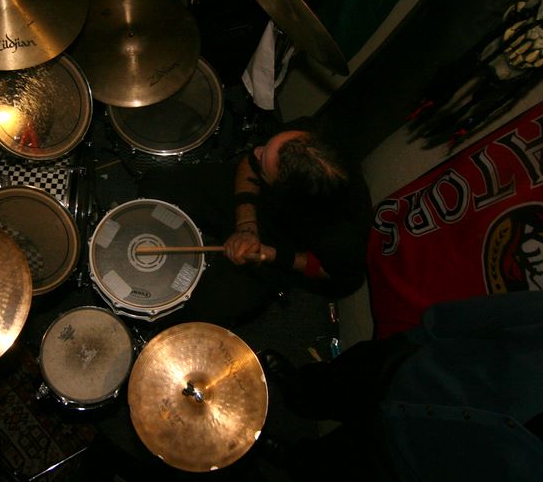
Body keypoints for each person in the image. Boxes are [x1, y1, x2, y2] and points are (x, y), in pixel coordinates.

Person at [260, 289, 543, 482]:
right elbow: (517, 313)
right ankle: (299, 389)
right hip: (420, 369)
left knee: (335, 469)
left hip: (413, 471)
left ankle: (295, 461)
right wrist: (424, 335)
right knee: (335, 382)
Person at [139, 116, 372, 328]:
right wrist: (247, 226)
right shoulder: (312, 135)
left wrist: (267, 253)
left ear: (284, 195)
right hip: (254, 199)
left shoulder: (344, 235)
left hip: (279, 247)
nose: (257, 152)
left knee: (199, 315)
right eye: (267, 148)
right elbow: (250, 163)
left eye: (263, 161)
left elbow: (337, 276)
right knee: (156, 185)